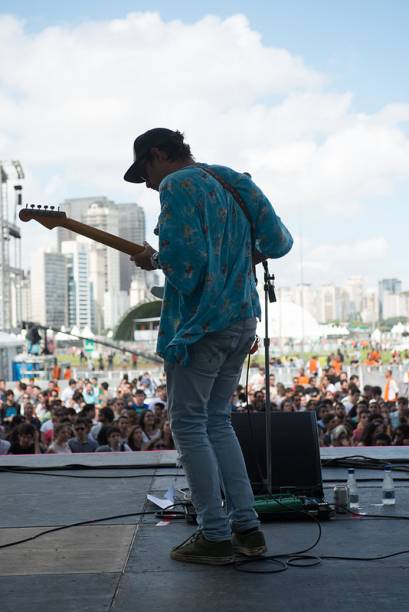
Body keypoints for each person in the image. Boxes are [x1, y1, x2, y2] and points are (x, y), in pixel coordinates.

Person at [126, 127, 293, 564]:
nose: (147, 183)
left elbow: (186, 264)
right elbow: (279, 242)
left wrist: (154, 259)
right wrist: (238, 255)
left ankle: (215, 535)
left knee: (189, 425)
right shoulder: (229, 179)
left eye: (144, 170)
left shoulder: (177, 184)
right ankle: (248, 529)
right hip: (241, 317)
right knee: (217, 422)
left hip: (201, 325)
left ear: (159, 154)